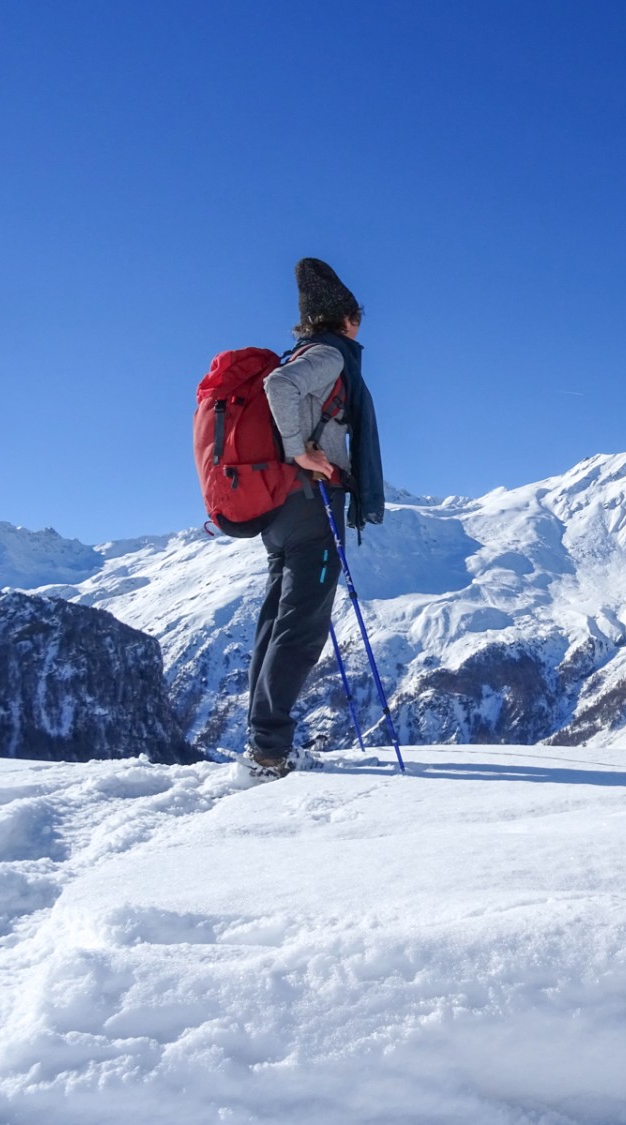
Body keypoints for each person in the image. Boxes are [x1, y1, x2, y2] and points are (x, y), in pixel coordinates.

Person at [244, 257, 386, 778]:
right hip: (311, 500)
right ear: (346, 317)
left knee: (276, 621)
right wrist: (299, 451)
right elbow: (278, 386)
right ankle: (268, 752)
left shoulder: (309, 350)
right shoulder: (328, 354)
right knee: (302, 627)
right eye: (358, 316)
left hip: (284, 506)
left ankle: (263, 742)